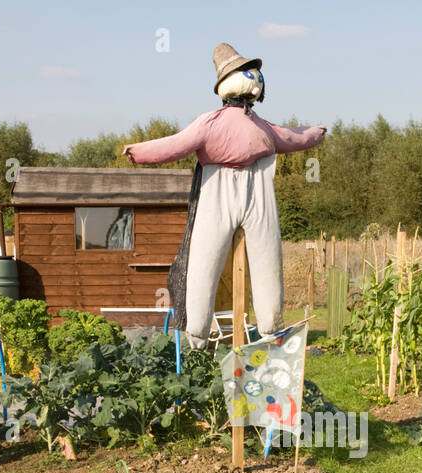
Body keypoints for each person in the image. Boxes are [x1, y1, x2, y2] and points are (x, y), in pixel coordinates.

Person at [123, 42, 326, 348]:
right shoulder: (223, 123)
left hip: (251, 184)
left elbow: (178, 144)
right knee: (214, 258)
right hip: (224, 186)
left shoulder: (243, 124)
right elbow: (290, 136)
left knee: (231, 257)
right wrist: (140, 153)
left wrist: (314, 133)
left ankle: (243, 328)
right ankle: (219, 329)